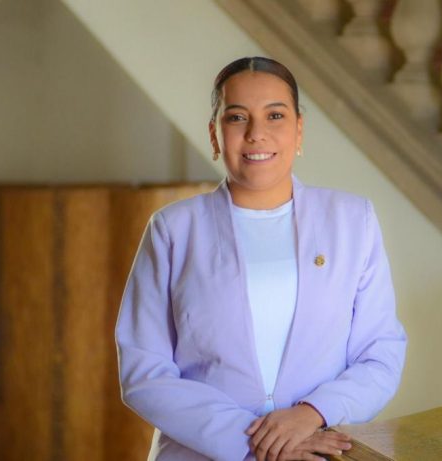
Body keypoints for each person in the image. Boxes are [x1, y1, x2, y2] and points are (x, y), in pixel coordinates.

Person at [115, 56, 407, 461]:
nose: (256, 134)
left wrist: (310, 414)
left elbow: (380, 353)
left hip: (319, 450)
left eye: (275, 116)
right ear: (215, 135)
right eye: (237, 118)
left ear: (299, 130)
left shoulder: (352, 221)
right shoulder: (173, 230)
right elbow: (144, 373)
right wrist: (256, 442)